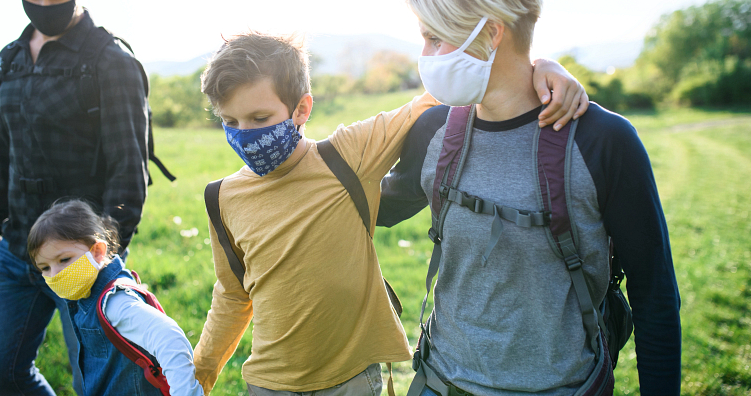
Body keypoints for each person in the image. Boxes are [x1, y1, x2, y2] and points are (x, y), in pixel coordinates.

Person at [193, 32, 588, 395]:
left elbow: (437, 96)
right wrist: (200, 373)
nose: (245, 133)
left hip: (351, 379)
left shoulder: (347, 155)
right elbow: (232, 294)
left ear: (301, 109)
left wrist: (540, 68)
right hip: (268, 382)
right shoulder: (222, 198)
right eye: (230, 122)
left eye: (260, 119)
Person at [376, 0, 682, 396]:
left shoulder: (603, 141)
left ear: (492, 32)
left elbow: (654, 294)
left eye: (435, 37)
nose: (425, 55)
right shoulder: (434, 130)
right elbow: (368, 209)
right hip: (441, 382)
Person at [0, 0, 149, 395]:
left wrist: (102, 258)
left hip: (80, 256)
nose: (44, 3)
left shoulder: (110, 61)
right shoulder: (10, 59)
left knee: (94, 383)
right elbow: (0, 153)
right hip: (17, 250)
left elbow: (128, 171)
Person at [26, 199, 204, 396]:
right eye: (45, 268)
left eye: (64, 260)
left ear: (98, 251)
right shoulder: (85, 295)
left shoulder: (115, 302)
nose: (55, 273)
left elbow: (169, 338)